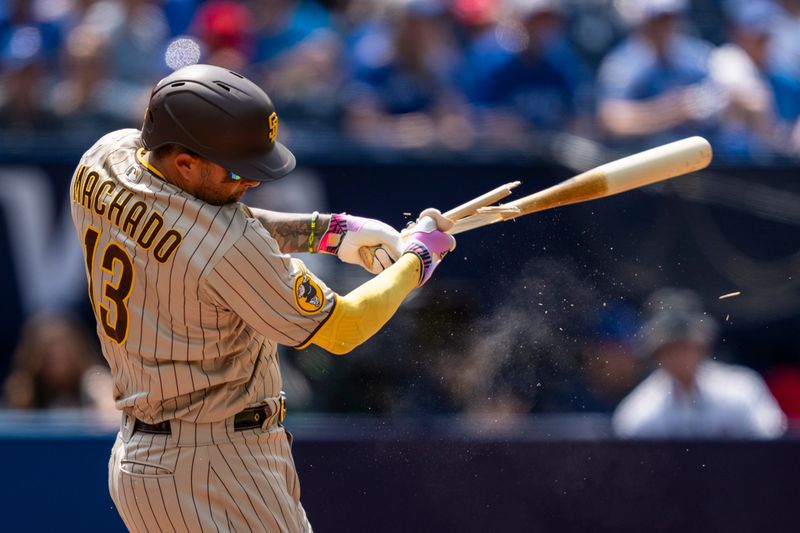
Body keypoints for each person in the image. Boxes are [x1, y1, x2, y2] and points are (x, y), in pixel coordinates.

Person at [69, 63, 455, 532]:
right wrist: (415, 263)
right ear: (185, 163)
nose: (250, 182)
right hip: (214, 467)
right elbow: (342, 327)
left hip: (147, 460)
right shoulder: (224, 245)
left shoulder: (104, 158)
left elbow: (201, 219)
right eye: (237, 170)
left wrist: (328, 232)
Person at [613, 288, 786, 439]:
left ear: (703, 346)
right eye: (672, 348)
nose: (681, 356)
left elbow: (770, 449)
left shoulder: (741, 390)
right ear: (657, 354)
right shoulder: (640, 411)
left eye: (687, 346)